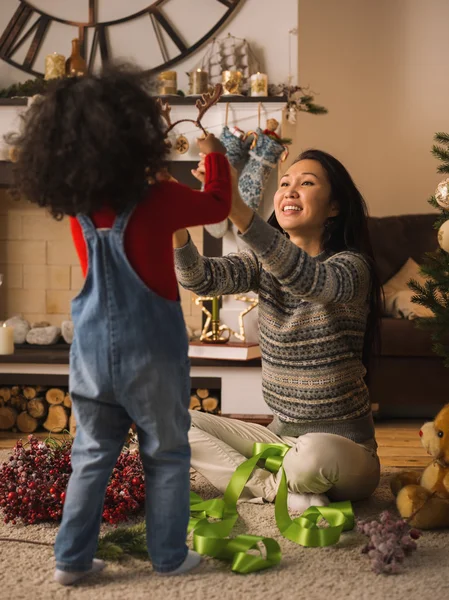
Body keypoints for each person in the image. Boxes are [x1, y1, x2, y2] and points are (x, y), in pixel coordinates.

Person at [8, 66, 232, 584]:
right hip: (151, 357)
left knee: (91, 453)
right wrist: (215, 157)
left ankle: (71, 560)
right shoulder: (160, 200)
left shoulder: (79, 212)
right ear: (137, 139)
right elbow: (218, 206)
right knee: (166, 451)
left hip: (89, 358)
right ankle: (170, 558)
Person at [173, 149, 382, 513]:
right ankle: (277, 488)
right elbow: (200, 278)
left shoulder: (351, 267)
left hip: (342, 449)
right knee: (168, 420)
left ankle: (277, 483)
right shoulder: (260, 264)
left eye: (307, 183)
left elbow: (310, 281)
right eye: (284, 183)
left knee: (312, 457)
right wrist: (174, 224)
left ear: (334, 207)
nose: (290, 190)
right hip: (279, 438)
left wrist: (235, 207)